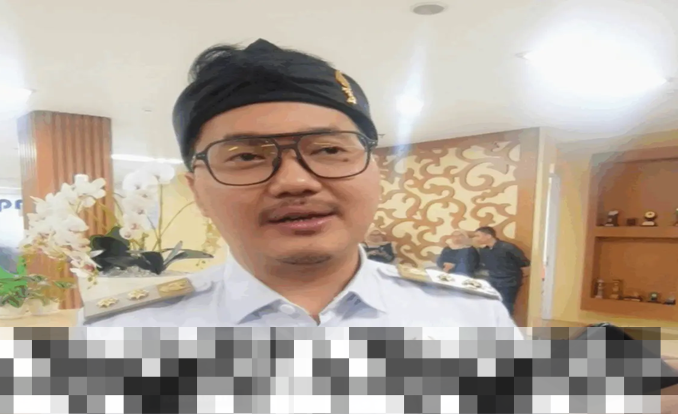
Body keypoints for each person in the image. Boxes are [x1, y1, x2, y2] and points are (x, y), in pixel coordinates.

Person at [78, 39, 516, 328]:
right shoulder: (121, 333)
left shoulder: (470, 317)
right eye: (246, 156)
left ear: (375, 172)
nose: (295, 181)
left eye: (329, 149)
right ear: (198, 192)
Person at [473, 226, 530, 316]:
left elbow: (524, 263)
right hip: (492, 280)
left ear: (488, 236)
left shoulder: (508, 247)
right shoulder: (484, 250)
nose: (476, 238)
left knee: (506, 306)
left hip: (509, 282)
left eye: (478, 236)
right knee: (491, 306)